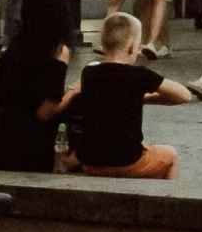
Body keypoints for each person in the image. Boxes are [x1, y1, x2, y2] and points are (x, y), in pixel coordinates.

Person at [75, 12, 191, 179]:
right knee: (170, 155)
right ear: (130, 47)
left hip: (90, 161)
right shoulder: (139, 75)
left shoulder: (89, 73)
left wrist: (137, 98)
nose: (139, 52)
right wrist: (147, 98)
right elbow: (184, 95)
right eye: (138, 47)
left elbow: (109, 98)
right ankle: (167, 202)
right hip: (127, 160)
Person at [0, 0, 77, 172]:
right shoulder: (56, 53)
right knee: (77, 102)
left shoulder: (12, 51)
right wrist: (75, 91)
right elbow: (46, 110)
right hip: (28, 154)